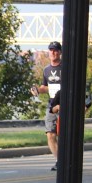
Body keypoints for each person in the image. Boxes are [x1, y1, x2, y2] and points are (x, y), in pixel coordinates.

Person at [31, 41, 62, 171]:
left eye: (55, 50)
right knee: (50, 134)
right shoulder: (46, 70)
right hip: (52, 105)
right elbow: (45, 87)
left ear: (60, 52)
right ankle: (59, 161)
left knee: (64, 135)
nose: (53, 53)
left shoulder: (65, 68)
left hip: (64, 105)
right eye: (51, 50)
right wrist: (37, 89)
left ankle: (68, 159)